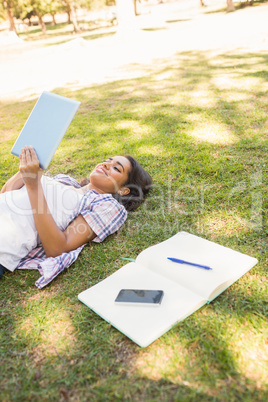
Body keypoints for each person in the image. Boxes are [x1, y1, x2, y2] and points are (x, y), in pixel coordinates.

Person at [0, 146, 152, 287]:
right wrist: (30, 168)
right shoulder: (64, 181)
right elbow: (7, 195)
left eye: (116, 168)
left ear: (123, 190)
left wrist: (34, 186)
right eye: (107, 161)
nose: (106, 165)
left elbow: (57, 248)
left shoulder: (107, 206)